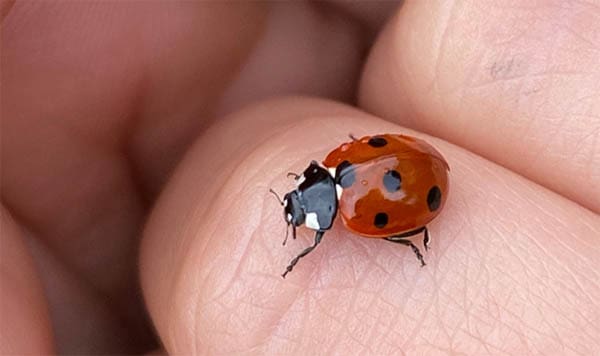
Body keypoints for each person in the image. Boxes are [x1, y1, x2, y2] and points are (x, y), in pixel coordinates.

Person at [2, 1, 598, 354]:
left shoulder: (349, 206)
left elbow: (336, 219)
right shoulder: (341, 178)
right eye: (297, 206)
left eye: (297, 210)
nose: (296, 216)